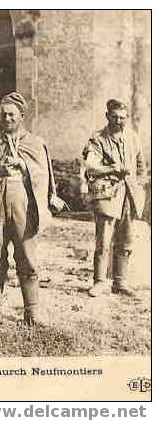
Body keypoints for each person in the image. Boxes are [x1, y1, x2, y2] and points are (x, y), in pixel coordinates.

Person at [0, 92, 63, 326]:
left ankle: (32, 310)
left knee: (27, 260)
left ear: (22, 116)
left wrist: (25, 166)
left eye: (12, 114)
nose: (7, 118)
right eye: (3, 114)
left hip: (25, 210)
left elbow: (46, 176)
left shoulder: (36, 143)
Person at [84, 99, 147, 297]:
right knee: (103, 240)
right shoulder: (97, 139)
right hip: (107, 194)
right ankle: (100, 281)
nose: (119, 121)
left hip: (129, 194)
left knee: (126, 239)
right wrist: (112, 169)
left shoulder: (133, 138)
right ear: (107, 116)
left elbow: (141, 166)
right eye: (115, 117)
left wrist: (139, 185)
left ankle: (120, 281)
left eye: (122, 118)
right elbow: (90, 166)